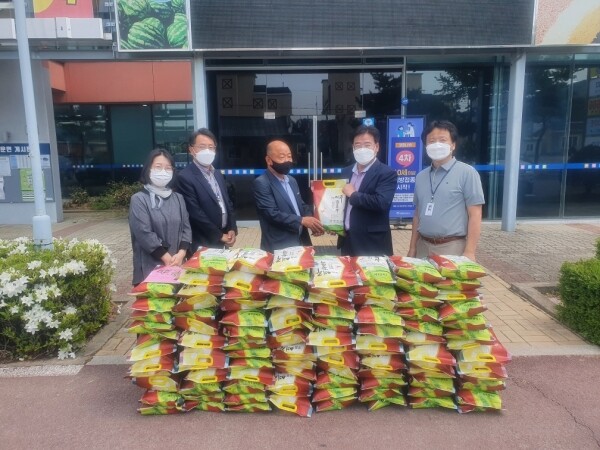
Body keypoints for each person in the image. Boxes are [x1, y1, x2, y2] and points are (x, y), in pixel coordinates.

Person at [407, 120, 485, 260]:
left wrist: (470, 251)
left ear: (453, 145)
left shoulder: (467, 173)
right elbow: (417, 215)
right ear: (426, 146)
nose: (437, 145)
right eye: (431, 141)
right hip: (423, 246)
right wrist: (412, 248)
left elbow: (475, 214)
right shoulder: (420, 176)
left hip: (452, 247)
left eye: (442, 140)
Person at [129, 149, 192, 285]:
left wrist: (182, 253)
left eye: (168, 168)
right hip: (150, 267)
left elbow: (186, 228)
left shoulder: (178, 198)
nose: (163, 172)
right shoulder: (139, 199)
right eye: (158, 167)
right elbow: (143, 233)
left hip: (177, 265)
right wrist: (166, 257)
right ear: (148, 169)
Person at [253, 139, 324, 252]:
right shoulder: (262, 183)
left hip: (301, 241)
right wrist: (301, 220)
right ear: (269, 160)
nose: (287, 160)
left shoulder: (292, 180)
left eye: (289, 156)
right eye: (282, 157)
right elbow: (272, 214)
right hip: (279, 246)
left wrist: (313, 221)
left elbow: (301, 205)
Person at [339, 125, 397, 256]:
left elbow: (381, 202)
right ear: (353, 148)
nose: (362, 149)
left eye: (367, 145)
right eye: (358, 145)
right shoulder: (346, 171)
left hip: (372, 243)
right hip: (347, 240)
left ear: (376, 147)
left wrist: (353, 195)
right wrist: (335, 224)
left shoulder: (387, 173)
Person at [176, 128, 237, 251]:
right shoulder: (185, 177)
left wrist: (232, 228)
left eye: (211, 147)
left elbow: (227, 203)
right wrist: (219, 236)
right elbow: (195, 213)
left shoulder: (218, 174)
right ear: (191, 150)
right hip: (202, 242)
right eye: (202, 147)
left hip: (223, 238)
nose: (207, 151)